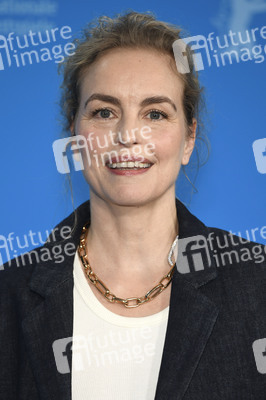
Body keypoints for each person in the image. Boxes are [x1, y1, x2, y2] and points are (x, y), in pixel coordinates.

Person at [0, 11, 265, 400]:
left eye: (155, 113)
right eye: (104, 112)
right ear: (74, 134)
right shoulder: (9, 296)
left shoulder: (257, 286)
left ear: (189, 138)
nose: (128, 135)